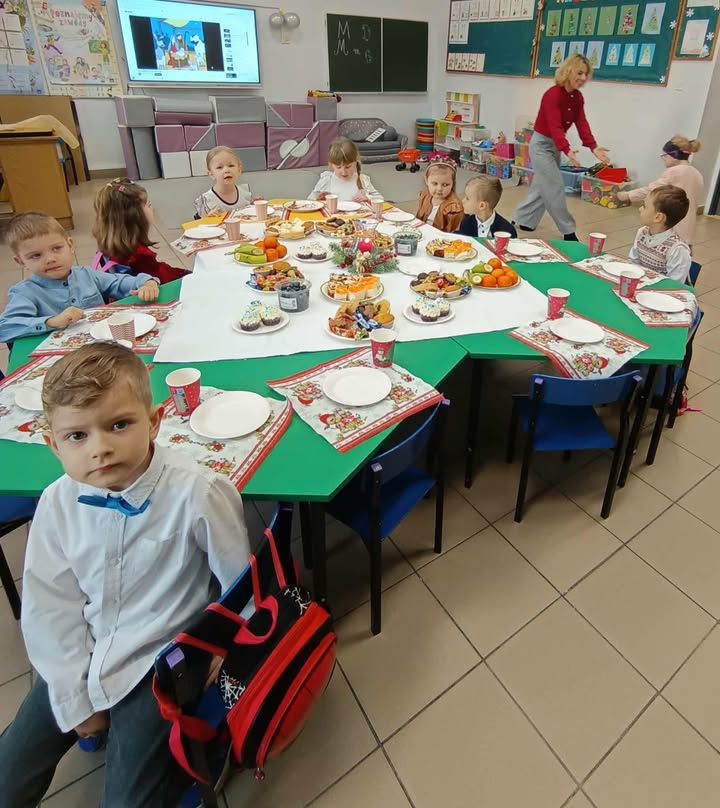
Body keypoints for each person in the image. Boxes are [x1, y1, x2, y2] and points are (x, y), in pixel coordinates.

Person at [0, 342, 252, 806]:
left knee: (128, 798)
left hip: (159, 662)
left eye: (119, 425)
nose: (100, 449)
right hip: (85, 649)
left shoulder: (198, 491)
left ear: (154, 421)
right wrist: (74, 695)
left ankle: (184, 769)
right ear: (52, 444)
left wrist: (229, 646)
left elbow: (239, 581)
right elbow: (49, 604)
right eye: (77, 436)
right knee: (9, 770)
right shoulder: (57, 502)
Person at [0, 212, 159, 345]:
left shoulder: (86, 274)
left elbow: (119, 282)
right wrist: (51, 322)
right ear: (21, 262)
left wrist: (147, 282)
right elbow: (5, 328)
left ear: (70, 245)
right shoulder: (25, 292)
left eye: (57, 248)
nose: (50, 259)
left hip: (105, 349)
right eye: (36, 255)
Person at [512, 54, 610, 241]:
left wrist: (593, 146)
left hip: (555, 146)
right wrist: (566, 150)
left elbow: (582, 123)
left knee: (542, 185)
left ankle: (523, 219)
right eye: (579, 73)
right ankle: (568, 231)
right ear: (568, 71)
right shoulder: (553, 95)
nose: (583, 78)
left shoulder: (577, 97)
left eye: (586, 74)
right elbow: (555, 126)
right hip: (541, 145)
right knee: (554, 186)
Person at [93, 178, 190, 284]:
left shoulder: (113, 245)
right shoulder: (139, 255)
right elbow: (160, 278)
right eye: (149, 205)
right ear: (135, 216)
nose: (152, 209)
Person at [617, 135, 703, 246]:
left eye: (665, 156)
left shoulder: (674, 172)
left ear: (674, 156)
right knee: (682, 250)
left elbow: (652, 190)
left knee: (664, 250)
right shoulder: (696, 173)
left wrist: (628, 195)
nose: (664, 159)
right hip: (687, 227)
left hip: (671, 225)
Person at [629, 185, 691, 282]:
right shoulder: (642, 232)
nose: (640, 209)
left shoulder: (677, 249)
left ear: (657, 217)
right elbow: (632, 263)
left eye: (644, 206)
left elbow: (674, 285)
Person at [309, 138, 382, 203]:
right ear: (332, 165)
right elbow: (309, 201)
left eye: (348, 167)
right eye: (338, 167)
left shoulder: (362, 180)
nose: (343, 172)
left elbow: (379, 198)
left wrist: (367, 198)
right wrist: (318, 199)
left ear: (355, 162)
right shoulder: (326, 179)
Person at [194, 147, 252, 219]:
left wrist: (254, 206)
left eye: (231, 165)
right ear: (211, 174)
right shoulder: (208, 200)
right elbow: (202, 224)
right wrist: (209, 218)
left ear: (239, 170)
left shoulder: (244, 193)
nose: (226, 170)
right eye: (219, 167)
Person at [415, 158, 464, 232]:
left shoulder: (454, 207)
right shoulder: (425, 196)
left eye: (445, 185)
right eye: (435, 183)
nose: (439, 189)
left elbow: (453, 233)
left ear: (452, 183)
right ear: (426, 180)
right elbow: (418, 219)